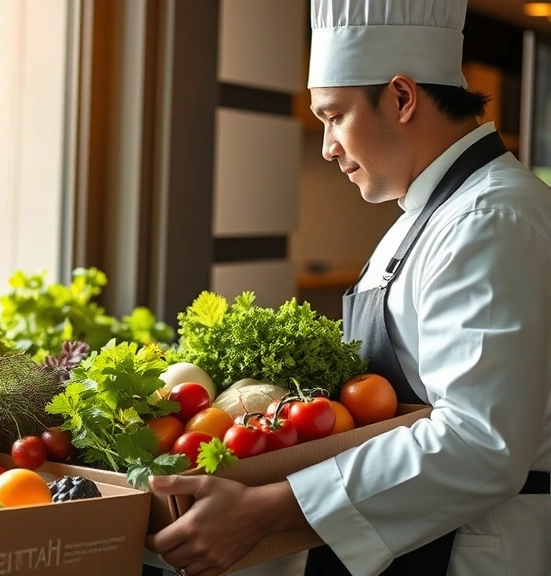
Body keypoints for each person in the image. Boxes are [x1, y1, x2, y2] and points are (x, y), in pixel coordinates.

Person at [145, 0, 551, 575]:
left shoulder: (490, 221)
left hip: (471, 552)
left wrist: (265, 510)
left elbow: (478, 443)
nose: (327, 145)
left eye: (334, 116)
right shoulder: (429, 215)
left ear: (402, 97)